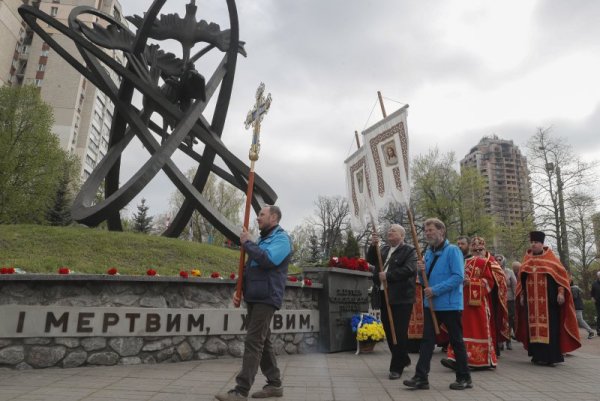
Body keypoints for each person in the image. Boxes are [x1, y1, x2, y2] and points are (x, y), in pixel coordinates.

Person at [216, 205, 293, 401]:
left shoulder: (282, 239)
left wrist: (247, 243)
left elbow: (267, 260)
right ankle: (275, 384)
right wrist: (239, 288)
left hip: (267, 298)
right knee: (262, 341)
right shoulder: (262, 240)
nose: (258, 218)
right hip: (255, 295)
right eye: (258, 214)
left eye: (262, 215)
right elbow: (251, 267)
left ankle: (241, 391)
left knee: (253, 342)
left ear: (274, 217)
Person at [403, 218, 472, 391]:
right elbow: (425, 278)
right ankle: (421, 377)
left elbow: (458, 277)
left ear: (442, 231)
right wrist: (420, 270)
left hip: (449, 304)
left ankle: (464, 377)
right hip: (431, 304)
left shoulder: (453, 251)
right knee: (426, 341)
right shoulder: (428, 253)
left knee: (456, 341)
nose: (427, 233)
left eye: (431, 230)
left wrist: (436, 290)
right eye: (426, 230)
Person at [515, 231, 581, 366]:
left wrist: (561, 293)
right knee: (532, 329)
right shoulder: (527, 259)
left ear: (542, 244)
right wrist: (522, 295)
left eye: (536, 243)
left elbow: (561, 279)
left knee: (551, 329)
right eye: (532, 242)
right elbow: (522, 281)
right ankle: (537, 356)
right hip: (531, 303)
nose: (533, 245)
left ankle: (551, 357)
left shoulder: (551, 259)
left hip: (549, 302)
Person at [442, 237, 509, 370]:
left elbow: (489, 282)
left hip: (478, 303)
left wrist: (471, 282)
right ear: (471, 249)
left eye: (480, 249)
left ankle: (481, 361)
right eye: (475, 249)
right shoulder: (462, 261)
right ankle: (456, 358)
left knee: (478, 330)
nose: (477, 251)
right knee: (460, 330)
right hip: (461, 302)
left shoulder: (484, 263)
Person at [367, 224, 417, 380]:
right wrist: (373, 245)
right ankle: (403, 358)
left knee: (399, 332)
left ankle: (396, 367)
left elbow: (410, 269)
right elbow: (371, 260)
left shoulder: (409, 250)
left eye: (393, 231)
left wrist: (388, 276)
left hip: (401, 297)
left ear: (402, 236)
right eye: (388, 231)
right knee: (389, 331)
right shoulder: (383, 250)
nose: (389, 232)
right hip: (383, 295)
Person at [499, 255, 517, 349]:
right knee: (500, 319)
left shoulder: (509, 272)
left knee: (509, 320)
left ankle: (508, 340)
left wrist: (515, 298)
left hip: (509, 299)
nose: (498, 261)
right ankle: (500, 340)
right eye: (496, 259)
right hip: (498, 299)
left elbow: (514, 285)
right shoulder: (493, 270)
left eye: (500, 259)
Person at [592, 271, 600, 336]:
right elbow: (592, 292)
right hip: (598, 302)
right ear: (598, 276)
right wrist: (592, 298)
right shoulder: (594, 284)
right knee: (599, 315)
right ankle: (598, 330)